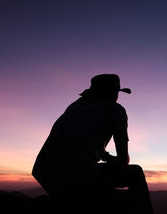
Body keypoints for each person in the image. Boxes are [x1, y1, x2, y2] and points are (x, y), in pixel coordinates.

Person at [32, 74, 153, 214]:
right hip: (75, 175)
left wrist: (105, 156)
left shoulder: (75, 106)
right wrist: (114, 161)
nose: (117, 96)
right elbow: (123, 160)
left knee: (92, 175)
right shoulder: (115, 109)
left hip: (43, 173)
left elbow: (79, 143)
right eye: (116, 92)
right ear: (112, 92)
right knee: (135, 173)